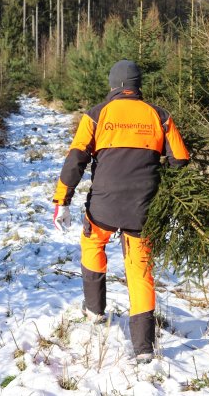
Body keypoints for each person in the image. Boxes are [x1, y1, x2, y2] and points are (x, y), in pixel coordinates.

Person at [51, 59, 190, 364]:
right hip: (143, 209)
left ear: (113, 85)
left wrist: (62, 200)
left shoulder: (97, 115)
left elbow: (75, 161)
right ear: (138, 85)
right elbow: (180, 159)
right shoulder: (160, 115)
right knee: (140, 269)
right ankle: (143, 347)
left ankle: (94, 310)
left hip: (103, 205)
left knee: (92, 243)